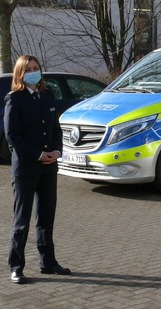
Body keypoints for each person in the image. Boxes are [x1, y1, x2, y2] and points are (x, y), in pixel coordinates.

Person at [5, 55, 72, 284]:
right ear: (20, 73)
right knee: (21, 220)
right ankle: (16, 266)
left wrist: (56, 151)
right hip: (26, 167)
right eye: (28, 69)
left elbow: (56, 129)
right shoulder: (15, 99)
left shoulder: (48, 94)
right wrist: (38, 154)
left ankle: (48, 262)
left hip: (48, 167)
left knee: (46, 216)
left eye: (36, 68)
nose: (33, 72)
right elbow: (13, 136)